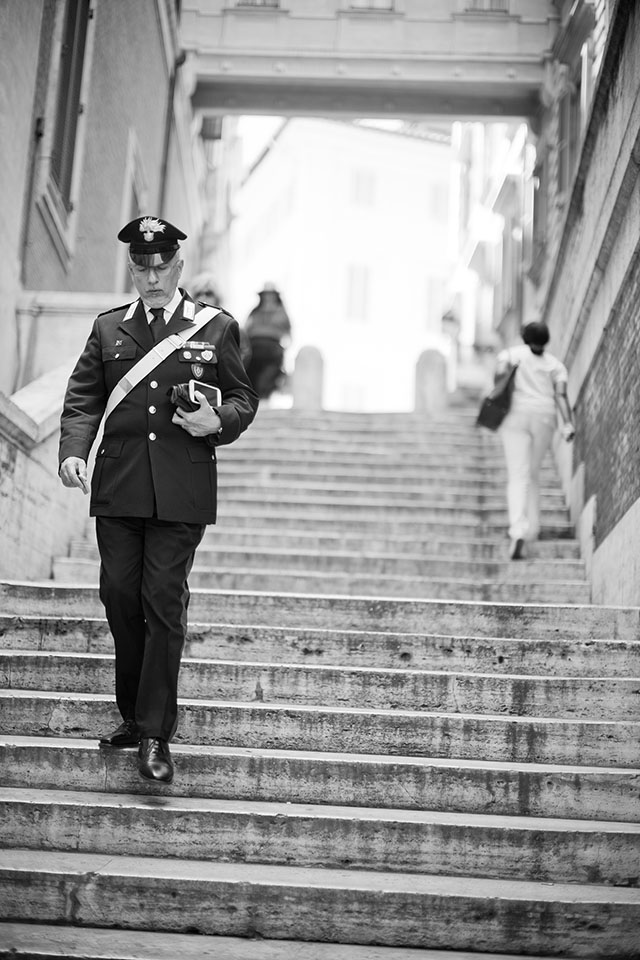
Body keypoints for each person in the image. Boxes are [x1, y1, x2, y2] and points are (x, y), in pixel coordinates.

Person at [58, 216, 258, 784]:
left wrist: (215, 420)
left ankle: (154, 733)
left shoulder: (215, 328)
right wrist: (74, 450)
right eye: (141, 267)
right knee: (121, 598)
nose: (151, 277)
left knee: (162, 602)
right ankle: (132, 713)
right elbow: (82, 398)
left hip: (180, 490)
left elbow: (245, 399)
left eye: (161, 266)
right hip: (119, 488)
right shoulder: (108, 329)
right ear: (132, 269)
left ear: (179, 266)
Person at [495, 320, 575, 560]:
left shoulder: (510, 354)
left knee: (518, 475)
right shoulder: (556, 365)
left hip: (516, 416)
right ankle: (534, 527)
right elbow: (560, 394)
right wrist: (568, 423)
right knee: (532, 472)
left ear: (524, 337)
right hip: (544, 418)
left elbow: (498, 379)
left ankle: (518, 529)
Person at [244, 283, 292, 400]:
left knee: (267, 379)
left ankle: (263, 399)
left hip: (272, 350)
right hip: (254, 349)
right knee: (251, 379)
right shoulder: (255, 312)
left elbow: (289, 333)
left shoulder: (282, 312)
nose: (268, 297)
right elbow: (246, 329)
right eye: (266, 295)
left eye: (271, 295)